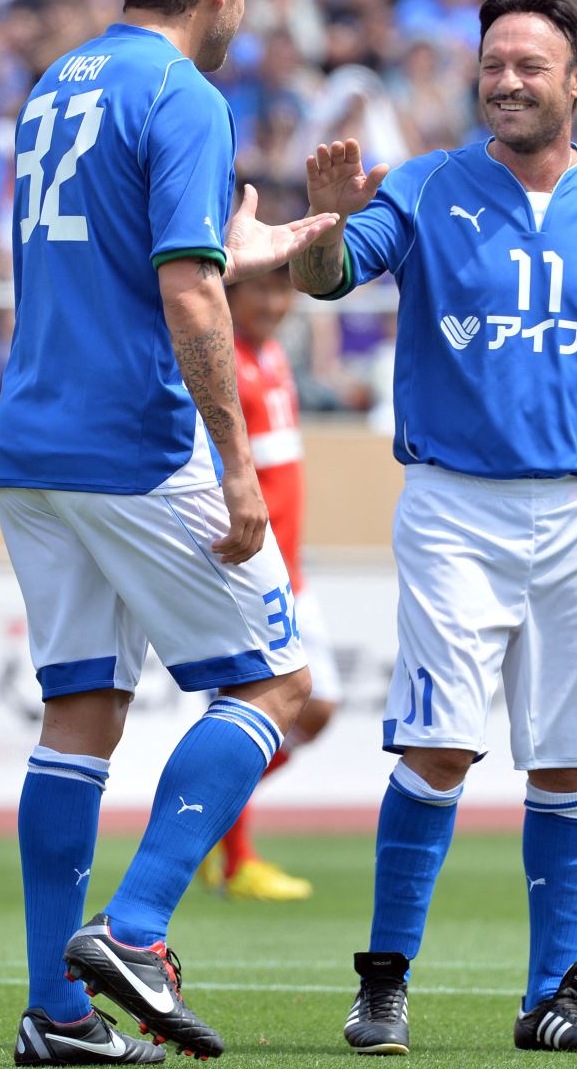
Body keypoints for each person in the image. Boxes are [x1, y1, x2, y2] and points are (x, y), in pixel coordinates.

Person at [289, 0, 577, 1055]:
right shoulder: (429, 188)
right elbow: (330, 276)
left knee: (570, 761)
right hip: (454, 508)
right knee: (440, 746)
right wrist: (332, 217)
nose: (507, 82)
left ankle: (550, 1000)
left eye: (529, 66)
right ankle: (384, 985)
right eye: (492, 66)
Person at [0, 0, 339, 1066]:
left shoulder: (56, 87)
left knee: (82, 713)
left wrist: (238, 247)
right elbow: (189, 296)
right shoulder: (184, 92)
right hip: (134, 438)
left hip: (32, 441)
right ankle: (134, 929)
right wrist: (237, 466)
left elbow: (122, 253)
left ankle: (57, 1019)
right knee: (280, 688)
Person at [197, 266, 343, 901]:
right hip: (251, 567)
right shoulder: (218, 360)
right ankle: (236, 858)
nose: (277, 302)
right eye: (262, 288)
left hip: (290, 570)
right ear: (229, 292)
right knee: (252, 704)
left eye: (285, 290)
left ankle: (205, 822)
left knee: (318, 705)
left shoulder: (274, 354)